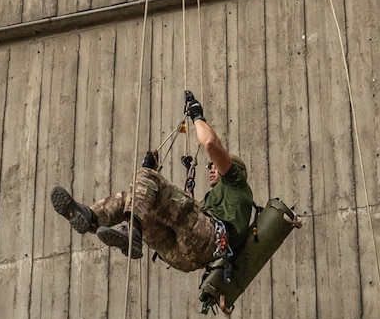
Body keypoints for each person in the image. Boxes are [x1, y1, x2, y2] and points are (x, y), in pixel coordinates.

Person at [50, 91, 254, 271]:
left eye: (214, 165)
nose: (210, 168)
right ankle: (91, 217)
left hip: (206, 241)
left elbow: (210, 143)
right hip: (184, 258)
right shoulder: (221, 200)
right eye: (209, 166)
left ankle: (132, 232)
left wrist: (197, 117)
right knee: (136, 198)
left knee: (146, 178)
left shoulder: (235, 182)